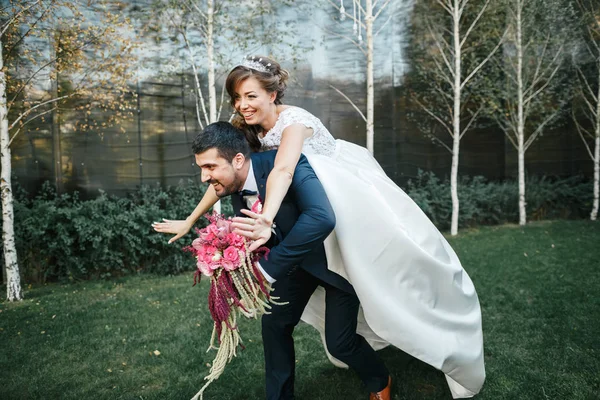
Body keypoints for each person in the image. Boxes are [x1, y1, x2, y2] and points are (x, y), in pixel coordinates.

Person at [153, 56, 485, 398]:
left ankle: (385, 374)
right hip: (298, 227)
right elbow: (223, 171)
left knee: (360, 313)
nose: (242, 105)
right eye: (237, 98)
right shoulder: (245, 131)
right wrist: (192, 219)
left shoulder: (293, 123)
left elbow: (282, 170)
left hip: (344, 205)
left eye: (250, 95)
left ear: (272, 93)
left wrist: (265, 217)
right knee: (275, 324)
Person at [191, 121, 392, 400]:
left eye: (210, 167)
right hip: (293, 267)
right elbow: (266, 236)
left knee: (340, 344)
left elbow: (321, 219)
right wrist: (228, 261)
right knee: (274, 327)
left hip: (335, 263)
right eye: (201, 168)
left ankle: (379, 379)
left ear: (238, 160)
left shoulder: (287, 163)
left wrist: (266, 270)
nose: (204, 178)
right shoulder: (236, 186)